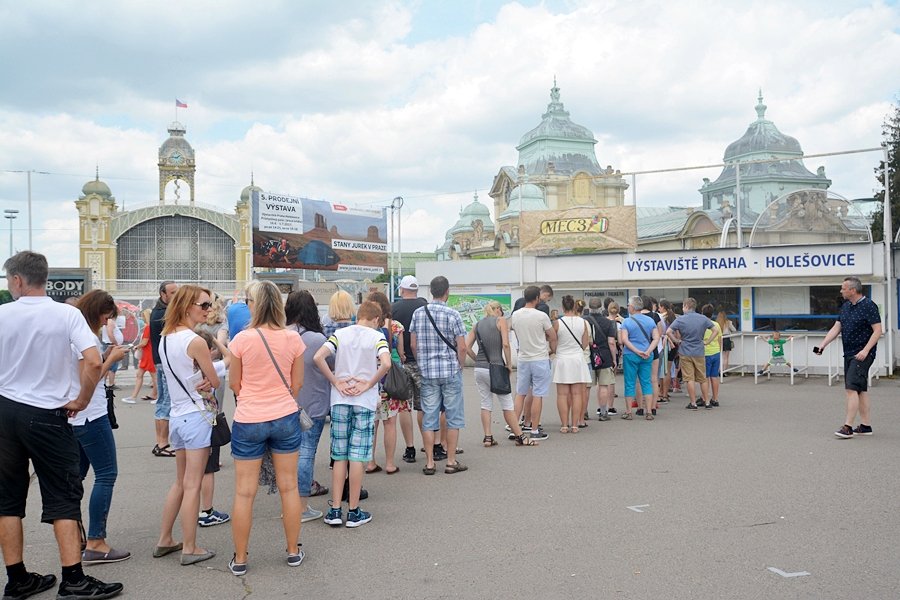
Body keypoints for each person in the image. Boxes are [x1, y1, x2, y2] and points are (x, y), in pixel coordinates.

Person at [0, 251, 123, 599]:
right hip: (47, 414)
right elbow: (94, 360)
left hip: (5, 410)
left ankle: (17, 577)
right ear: (44, 278)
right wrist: (82, 399)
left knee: (8, 499)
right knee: (63, 496)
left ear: (19, 280)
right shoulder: (65, 314)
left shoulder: (2, 314)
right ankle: (73, 579)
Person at [227, 280, 305, 575]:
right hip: (284, 416)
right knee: (289, 486)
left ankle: (241, 558)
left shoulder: (241, 340)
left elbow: (235, 383)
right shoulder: (293, 339)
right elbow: (297, 384)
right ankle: (293, 550)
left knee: (245, 492)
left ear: (253, 304)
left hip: (249, 418)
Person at [155, 285, 220, 566]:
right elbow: (213, 382)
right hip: (196, 415)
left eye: (209, 305)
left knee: (180, 482)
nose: (208, 309)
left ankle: (165, 538)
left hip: (178, 416)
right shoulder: (195, 341)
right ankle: (190, 547)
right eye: (203, 305)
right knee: (193, 484)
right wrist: (212, 375)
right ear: (187, 306)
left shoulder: (165, 338)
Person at [315, 301, 392, 525]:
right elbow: (386, 363)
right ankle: (354, 510)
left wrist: (335, 380)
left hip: (340, 399)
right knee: (357, 456)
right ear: (377, 320)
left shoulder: (340, 334)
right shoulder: (377, 337)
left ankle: (335, 510)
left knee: (339, 455)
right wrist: (368, 384)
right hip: (364, 401)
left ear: (358, 315)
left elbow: (318, 357)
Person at [70, 291, 131, 566]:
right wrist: (110, 359)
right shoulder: (85, 334)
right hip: (90, 414)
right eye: (107, 316)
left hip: (73, 417)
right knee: (106, 475)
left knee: (76, 478)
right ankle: (96, 541)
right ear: (98, 313)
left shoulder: (71, 330)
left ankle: (77, 535)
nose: (108, 321)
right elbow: (91, 373)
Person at [410, 276, 469, 473]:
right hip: (450, 371)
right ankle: (451, 461)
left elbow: (412, 344)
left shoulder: (418, 314)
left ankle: (429, 463)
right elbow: (462, 347)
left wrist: (422, 364)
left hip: (428, 373)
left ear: (431, 292)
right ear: (447, 292)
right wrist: (460, 366)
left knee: (429, 417)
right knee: (453, 416)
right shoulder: (453, 314)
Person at [814, 276, 882, 439]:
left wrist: (865, 351)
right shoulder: (845, 306)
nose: (841, 290)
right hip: (849, 352)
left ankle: (848, 427)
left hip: (862, 354)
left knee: (851, 389)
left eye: (843, 288)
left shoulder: (868, 306)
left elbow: (878, 330)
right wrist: (822, 345)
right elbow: (837, 327)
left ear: (853, 290)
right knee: (860, 390)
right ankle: (865, 426)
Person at [285, 290, 331, 522]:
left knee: (288, 455)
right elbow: (332, 365)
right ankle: (301, 507)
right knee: (306, 453)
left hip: (284, 404)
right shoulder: (316, 339)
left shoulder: (281, 335)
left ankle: (289, 503)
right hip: (312, 404)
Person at [466, 301, 535, 446]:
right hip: (496, 367)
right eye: (501, 310)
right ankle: (520, 436)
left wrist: (477, 359)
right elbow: (505, 344)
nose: (502, 313)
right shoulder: (501, 321)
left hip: (479, 368)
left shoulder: (477, 325)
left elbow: (466, 347)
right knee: (507, 403)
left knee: (486, 403)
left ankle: (488, 437)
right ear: (497, 309)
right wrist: (509, 364)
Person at [365, 291, 406, 475]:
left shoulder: (364, 328)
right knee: (390, 422)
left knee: (371, 423)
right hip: (388, 380)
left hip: (369, 380)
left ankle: (370, 462)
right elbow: (401, 353)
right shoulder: (395, 326)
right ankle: (390, 464)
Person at [509, 285, 557, 441]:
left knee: (520, 393)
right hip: (540, 358)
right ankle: (534, 430)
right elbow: (552, 335)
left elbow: (513, 331)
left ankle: (514, 428)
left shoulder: (515, 315)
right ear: (537, 298)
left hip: (523, 358)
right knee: (538, 394)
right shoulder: (541, 315)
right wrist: (552, 349)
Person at [390, 276, 429, 462]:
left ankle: (410, 448)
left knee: (404, 407)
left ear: (401, 289)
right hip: (423, 362)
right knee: (424, 406)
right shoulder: (424, 306)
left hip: (401, 362)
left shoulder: (393, 308)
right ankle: (430, 444)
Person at [666, 297, 716, 410]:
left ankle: (693, 403)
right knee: (702, 378)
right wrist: (707, 341)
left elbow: (668, 331)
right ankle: (707, 402)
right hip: (699, 350)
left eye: (683, 306)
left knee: (689, 378)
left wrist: (677, 341)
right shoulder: (703, 318)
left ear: (686, 306)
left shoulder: (680, 319)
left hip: (685, 351)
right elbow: (715, 330)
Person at [553, 295, 591, 432]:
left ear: (563, 307)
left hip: (562, 359)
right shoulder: (583, 322)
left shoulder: (558, 323)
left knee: (562, 395)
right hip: (578, 359)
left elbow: (553, 342)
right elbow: (585, 343)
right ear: (574, 306)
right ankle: (575, 425)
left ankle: (564, 425)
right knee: (577, 394)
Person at [150, 280, 178, 458]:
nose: (177, 295)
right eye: (173, 293)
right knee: (166, 402)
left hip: (160, 361)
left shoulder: (157, 311)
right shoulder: (164, 313)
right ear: (163, 294)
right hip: (165, 363)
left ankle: (161, 442)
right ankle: (162, 443)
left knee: (162, 402)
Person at [619, 296, 660, 420]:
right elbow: (656, 338)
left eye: (628, 305)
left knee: (630, 383)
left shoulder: (626, 321)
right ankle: (648, 412)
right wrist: (648, 351)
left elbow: (624, 340)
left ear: (632, 307)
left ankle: (629, 412)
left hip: (631, 355)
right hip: (647, 355)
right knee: (646, 382)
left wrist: (636, 350)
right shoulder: (650, 321)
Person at [585, 297, 617, 421]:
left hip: (589, 356)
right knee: (603, 386)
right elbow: (611, 342)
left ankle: (584, 412)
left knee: (586, 387)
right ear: (601, 308)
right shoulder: (608, 322)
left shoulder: (584, 321)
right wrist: (614, 359)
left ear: (589, 308)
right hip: (604, 356)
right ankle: (603, 412)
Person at [123, 308, 157, 403]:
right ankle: (133, 397)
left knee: (152, 377)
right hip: (149, 354)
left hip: (147, 354)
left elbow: (144, 342)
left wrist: (136, 346)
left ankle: (134, 397)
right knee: (144, 375)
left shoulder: (147, 328)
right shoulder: (152, 327)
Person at [700, 304, 722, 407]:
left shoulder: (702, 325)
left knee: (705, 377)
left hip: (705, 353)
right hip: (716, 352)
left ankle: (705, 398)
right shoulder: (716, 325)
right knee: (714, 376)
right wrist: (719, 351)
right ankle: (715, 398)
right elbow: (719, 339)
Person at [717, 311, 736, 375]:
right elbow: (734, 330)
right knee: (726, 357)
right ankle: (725, 371)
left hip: (719, 339)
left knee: (720, 356)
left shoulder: (717, 323)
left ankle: (719, 371)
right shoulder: (728, 322)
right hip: (726, 339)